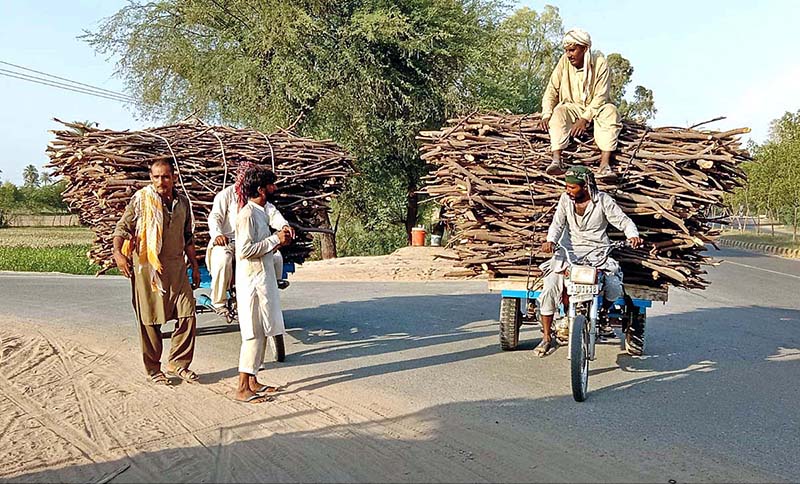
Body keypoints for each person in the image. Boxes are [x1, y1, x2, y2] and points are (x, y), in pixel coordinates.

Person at [535, 165, 642, 357]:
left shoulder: (603, 201)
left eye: (572, 187)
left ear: (585, 186)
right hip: (568, 252)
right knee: (550, 287)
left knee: (613, 285)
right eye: (566, 187)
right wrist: (550, 241)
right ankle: (546, 337)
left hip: (597, 253)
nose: (568, 190)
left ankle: (603, 313)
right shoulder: (565, 200)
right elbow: (557, 223)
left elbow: (623, 221)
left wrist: (632, 235)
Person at [112, 160, 201, 384]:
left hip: (177, 268)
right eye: (156, 177)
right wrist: (118, 254)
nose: (161, 181)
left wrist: (195, 265)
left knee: (188, 314)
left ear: (174, 177)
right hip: (147, 269)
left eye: (165, 177)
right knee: (150, 320)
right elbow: (122, 228)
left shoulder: (182, 203)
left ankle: (178, 363)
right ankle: (153, 369)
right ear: (151, 178)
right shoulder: (142, 201)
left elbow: (188, 236)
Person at [234, 167, 294, 403]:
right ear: (261, 189)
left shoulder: (261, 211)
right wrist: (274, 240)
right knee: (252, 334)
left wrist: (281, 237)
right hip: (252, 283)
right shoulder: (247, 215)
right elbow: (245, 250)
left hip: (262, 279)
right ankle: (241, 387)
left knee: (261, 331)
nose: (275, 188)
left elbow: (274, 221)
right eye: (271, 185)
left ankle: (253, 380)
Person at [539, 28, 622, 181]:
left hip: (597, 108)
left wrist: (585, 119)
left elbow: (601, 96)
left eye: (572, 50)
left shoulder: (600, 63)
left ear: (585, 48)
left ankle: (604, 165)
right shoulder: (564, 62)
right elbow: (551, 90)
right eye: (566, 50)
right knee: (559, 111)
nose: (569, 54)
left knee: (611, 111)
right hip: (573, 106)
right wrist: (546, 114)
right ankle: (557, 160)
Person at [207, 182, 291, 321]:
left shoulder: (256, 198)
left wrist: (283, 225)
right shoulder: (226, 195)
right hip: (228, 241)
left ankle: (273, 289)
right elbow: (215, 217)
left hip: (253, 240)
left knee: (276, 257)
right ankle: (219, 302)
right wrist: (217, 235)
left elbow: (272, 212)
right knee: (223, 260)